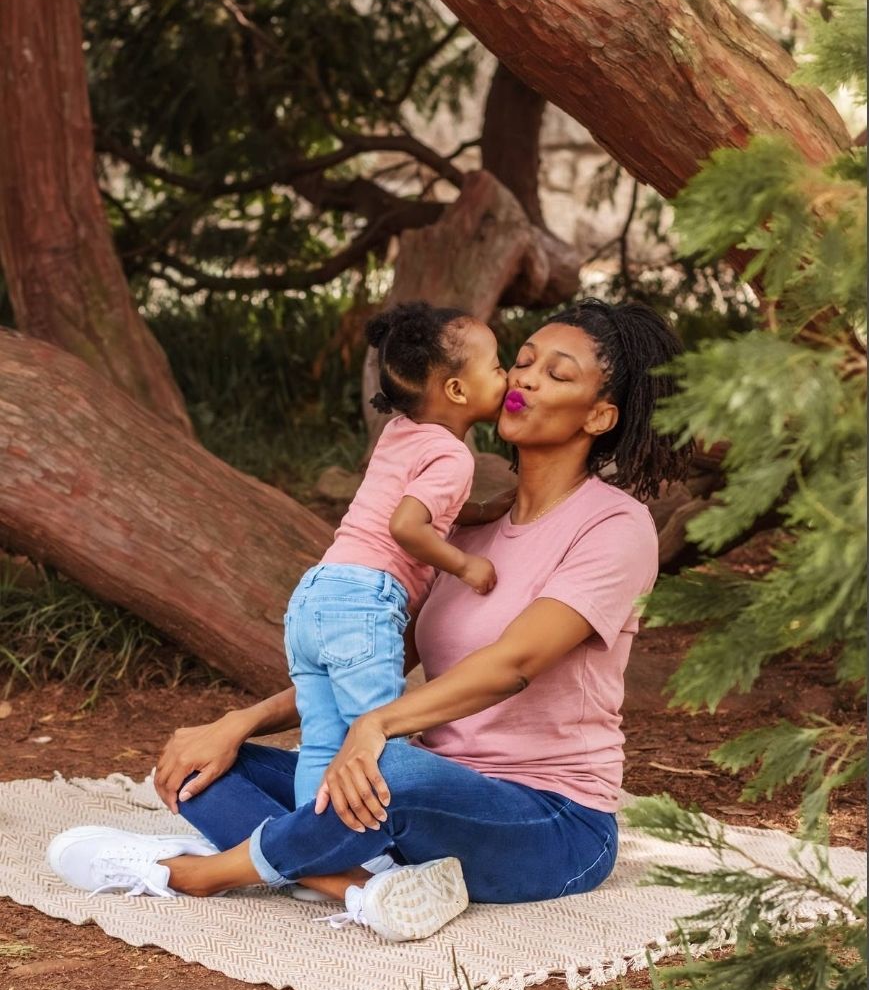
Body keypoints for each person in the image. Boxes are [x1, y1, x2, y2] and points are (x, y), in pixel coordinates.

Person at [47, 298, 691, 946]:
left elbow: (513, 664)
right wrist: (236, 722)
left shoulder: (614, 526)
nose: (523, 379)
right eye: (520, 361)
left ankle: (195, 872)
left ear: (600, 414)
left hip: (551, 821)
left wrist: (377, 724)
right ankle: (357, 883)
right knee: (206, 765)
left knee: (385, 772)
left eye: (556, 374)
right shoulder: (462, 533)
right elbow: (368, 659)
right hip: (428, 789)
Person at [283, 300, 511, 816]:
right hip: (364, 602)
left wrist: (478, 512)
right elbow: (406, 525)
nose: (506, 376)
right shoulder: (454, 455)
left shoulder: (400, 433)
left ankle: (310, 849)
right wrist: (464, 564)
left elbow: (412, 503)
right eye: (497, 367)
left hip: (315, 597)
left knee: (322, 743)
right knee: (383, 737)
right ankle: (385, 852)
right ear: (457, 390)